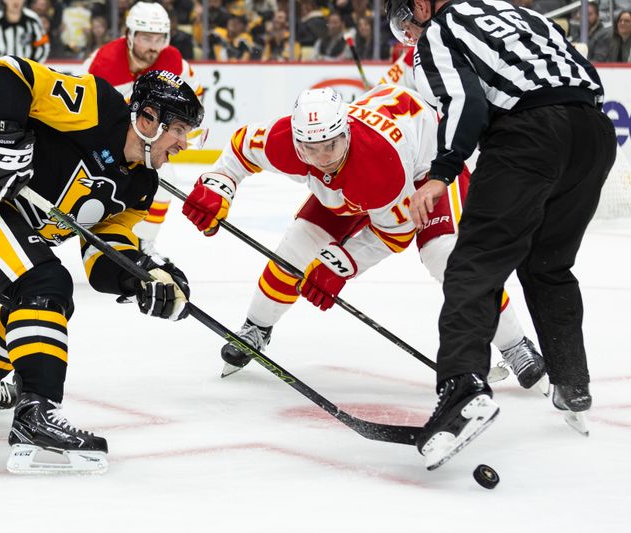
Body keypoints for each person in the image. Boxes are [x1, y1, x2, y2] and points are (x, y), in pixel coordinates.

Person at [0, 62, 203, 474]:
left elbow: (102, 259)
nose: (183, 144)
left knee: (39, 295)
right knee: (44, 282)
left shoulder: (141, 187)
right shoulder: (99, 107)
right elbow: (1, 72)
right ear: (148, 118)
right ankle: (36, 412)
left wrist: (140, 275)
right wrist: (5, 134)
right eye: (179, 130)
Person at [180, 85, 546, 393]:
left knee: (446, 258)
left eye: (331, 146)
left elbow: (394, 232)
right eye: (311, 148)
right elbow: (242, 148)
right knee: (296, 247)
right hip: (358, 179)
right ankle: (256, 327)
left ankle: (516, 345)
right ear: (296, 140)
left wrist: (340, 265)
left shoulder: (378, 167)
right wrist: (220, 184)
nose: (322, 158)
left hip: (424, 168)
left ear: (347, 133)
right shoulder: (286, 142)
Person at [387, 0, 616, 469]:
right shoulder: (518, 13)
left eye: (406, 21)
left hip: (529, 135)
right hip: (593, 131)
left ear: (422, 6)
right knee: (549, 264)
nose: (409, 35)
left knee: (473, 265)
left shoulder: (440, 30)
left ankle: (461, 388)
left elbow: (464, 102)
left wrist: (440, 172)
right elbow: (579, 70)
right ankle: (572, 381)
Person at [85, 1, 204, 259]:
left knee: (164, 181)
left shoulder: (174, 61)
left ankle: (142, 243)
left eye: (159, 38)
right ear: (130, 35)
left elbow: (194, 99)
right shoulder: (102, 64)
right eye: (146, 37)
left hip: (148, 138)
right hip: (108, 140)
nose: (153, 46)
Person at [0, 0, 50, 66]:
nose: (16, 1)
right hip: (1, 71)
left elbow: (43, 46)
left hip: (26, 73)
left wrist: (33, 68)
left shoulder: (33, 19)